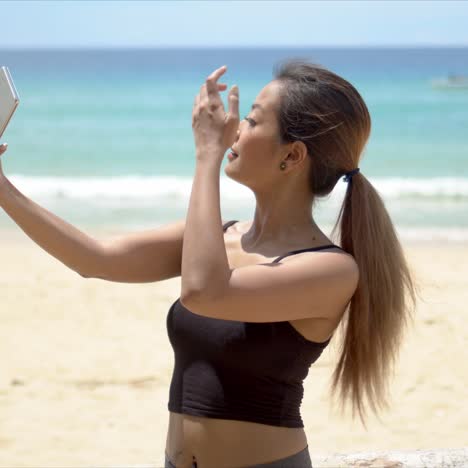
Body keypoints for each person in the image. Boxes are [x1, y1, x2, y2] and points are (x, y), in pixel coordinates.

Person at [0, 59, 419, 468]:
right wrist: (2, 187)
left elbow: (204, 292)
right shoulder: (219, 238)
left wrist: (207, 156)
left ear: (291, 157)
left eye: (252, 121)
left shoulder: (331, 270)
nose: (234, 129)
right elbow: (94, 258)